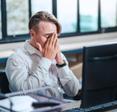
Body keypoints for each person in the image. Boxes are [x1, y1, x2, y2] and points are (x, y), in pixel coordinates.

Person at [5, 11, 81, 98]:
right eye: (48, 36)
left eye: (55, 36)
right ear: (32, 34)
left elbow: (73, 91)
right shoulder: (16, 59)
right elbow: (22, 94)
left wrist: (60, 62)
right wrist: (46, 60)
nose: (53, 41)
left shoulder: (58, 56)